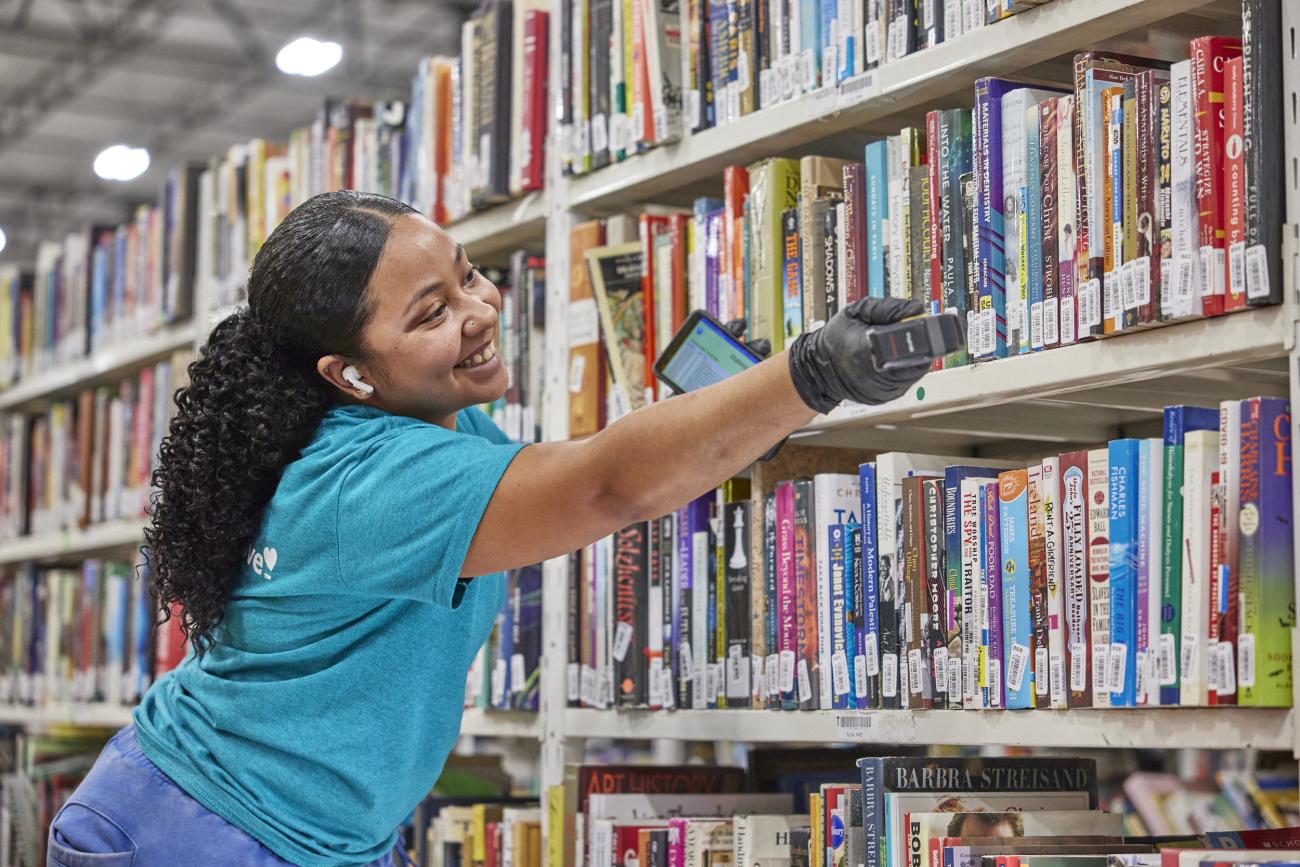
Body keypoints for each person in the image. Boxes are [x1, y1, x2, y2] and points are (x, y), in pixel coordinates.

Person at [45, 190, 932, 867]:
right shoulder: (369, 480)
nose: (479, 310)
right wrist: (809, 373)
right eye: (429, 314)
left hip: (309, 832)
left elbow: (572, 476)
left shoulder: (440, 418)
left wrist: (730, 407)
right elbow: (606, 487)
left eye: (467, 273)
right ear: (349, 375)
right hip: (196, 829)